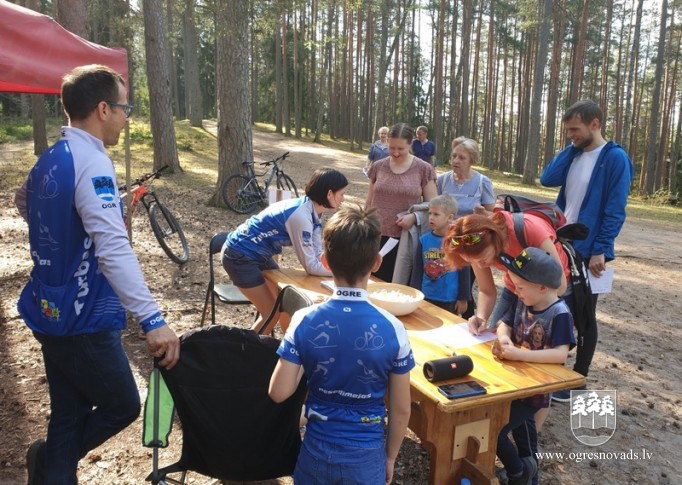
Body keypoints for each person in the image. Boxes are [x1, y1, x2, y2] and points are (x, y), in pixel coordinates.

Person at [14, 64, 180, 485]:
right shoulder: (93, 163)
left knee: (68, 413)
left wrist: (70, 225)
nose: (127, 118)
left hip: (48, 309)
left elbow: (24, 201)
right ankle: (51, 459)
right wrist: (153, 319)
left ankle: (51, 465)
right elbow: (113, 248)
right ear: (103, 109)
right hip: (83, 315)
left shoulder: (51, 156)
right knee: (122, 405)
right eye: (124, 108)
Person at [269, 205, 414, 485]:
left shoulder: (303, 320)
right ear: (376, 263)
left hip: (315, 455)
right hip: (366, 459)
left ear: (325, 261)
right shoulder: (394, 328)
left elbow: (278, 392)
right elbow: (401, 409)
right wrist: (390, 458)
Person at [540, 99, 633, 401]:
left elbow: (615, 209)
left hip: (589, 249)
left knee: (584, 314)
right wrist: (573, 146)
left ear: (595, 124)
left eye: (575, 130)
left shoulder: (615, 158)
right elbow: (547, 178)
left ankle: (577, 381)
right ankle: (555, 372)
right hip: (562, 243)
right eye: (568, 131)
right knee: (557, 308)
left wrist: (601, 250)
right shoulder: (576, 153)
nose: (571, 135)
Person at [223, 168, 347, 333]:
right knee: (271, 314)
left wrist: (336, 266)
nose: (343, 198)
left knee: (284, 307)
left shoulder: (313, 211)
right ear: (329, 194)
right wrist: (345, 273)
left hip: (258, 253)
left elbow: (318, 255)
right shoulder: (301, 216)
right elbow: (311, 266)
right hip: (240, 255)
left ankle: (284, 344)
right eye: (342, 194)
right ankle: (247, 348)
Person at [493, 247, 576, 485]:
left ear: (542, 288)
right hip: (514, 384)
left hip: (534, 391)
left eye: (521, 287)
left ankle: (518, 472)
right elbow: (504, 324)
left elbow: (560, 354)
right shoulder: (524, 301)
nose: (516, 291)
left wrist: (520, 354)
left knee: (496, 431)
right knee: (526, 439)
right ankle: (530, 477)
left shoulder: (559, 313)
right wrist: (504, 338)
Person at [442, 212, 570, 336]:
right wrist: (481, 318)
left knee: (534, 340)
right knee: (496, 335)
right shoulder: (473, 247)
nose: (480, 266)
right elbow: (486, 291)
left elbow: (559, 286)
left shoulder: (529, 230)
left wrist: (523, 314)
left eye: (483, 259)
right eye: (472, 262)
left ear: (493, 240)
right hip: (515, 287)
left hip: (548, 291)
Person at [366, 123, 437, 282]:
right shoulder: (378, 166)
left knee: (396, 285)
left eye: (401, 148)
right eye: (392, 148)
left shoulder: (423, 169)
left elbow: (433, 205)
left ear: (410, 144)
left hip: (405, 239)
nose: (396, 153)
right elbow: (369, 201)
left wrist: (414, 217)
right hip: (374, 235)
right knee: (372, 282)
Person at [437, 136, 496, 319]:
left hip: (470, 244)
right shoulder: (442, 180)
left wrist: (482, 214)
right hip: (444, 242)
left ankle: (469, 320)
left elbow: (492, 215)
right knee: (444, 283)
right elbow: (433, 208)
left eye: (461, 157)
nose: (456, 160)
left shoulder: (482, 182)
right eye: (454, 156)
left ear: (472, 159)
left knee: (465, 288)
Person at [409, 194, 470, 314]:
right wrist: (414, 292)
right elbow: (417, 270)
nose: (431, 217)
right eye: (430, 213)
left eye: (436, 214)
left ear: (450, 217)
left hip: (449, 298)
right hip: (426, 296)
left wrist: (463, 298)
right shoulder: (424, 240)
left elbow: (464, 271)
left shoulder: (457, 241)